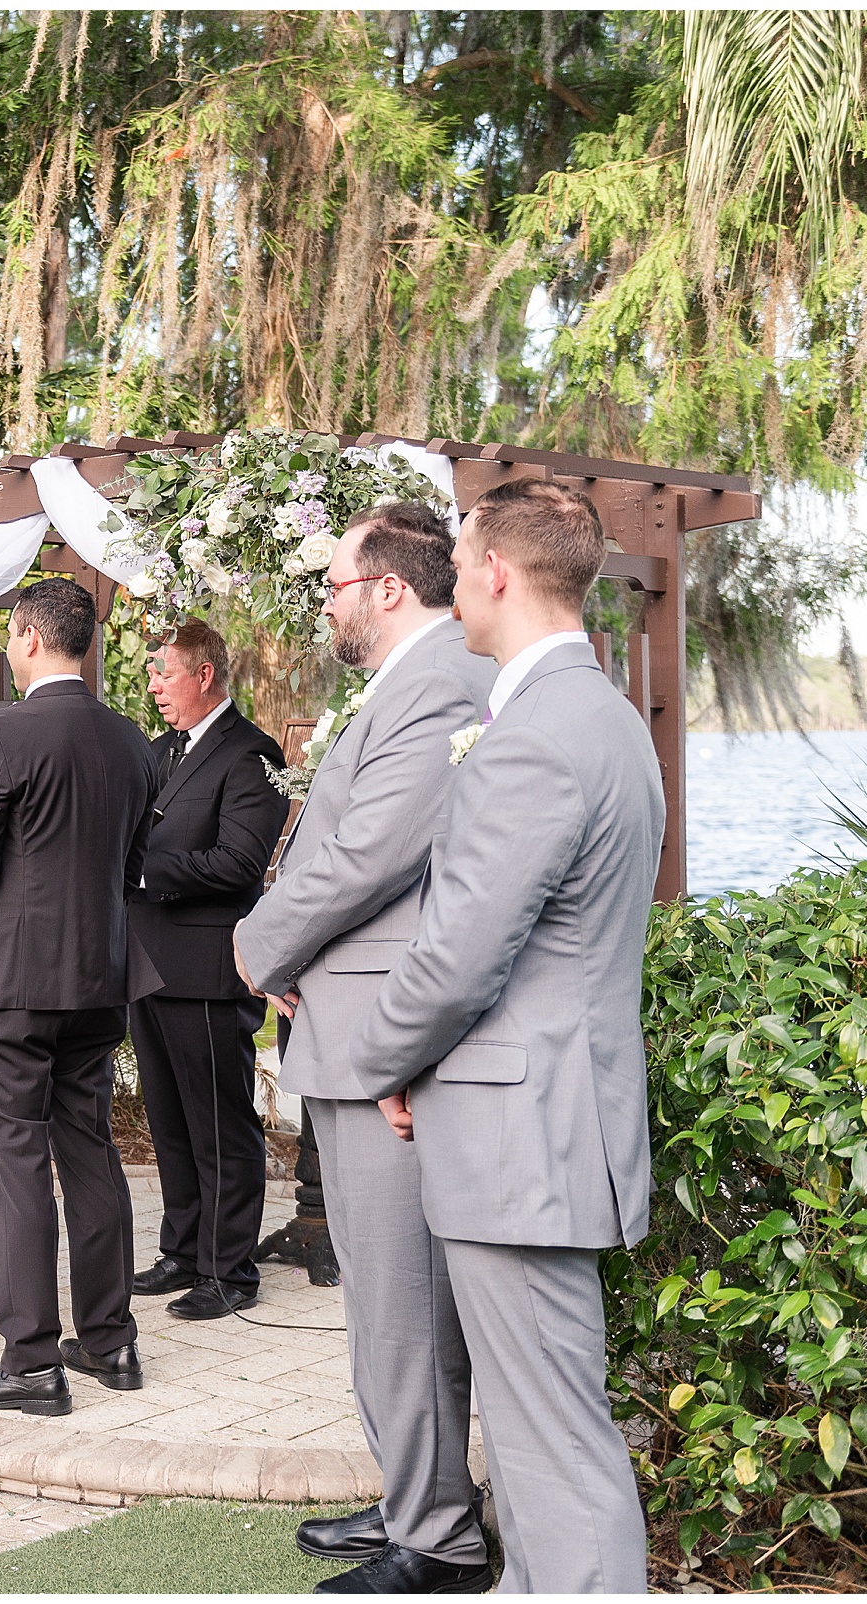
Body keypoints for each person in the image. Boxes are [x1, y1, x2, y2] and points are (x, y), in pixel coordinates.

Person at [349, 478, 663, 1593]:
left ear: (493, 571)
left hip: (520, 1137)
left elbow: (458, 952)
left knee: (552, 1446)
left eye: (463, 554)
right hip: (550, 1120)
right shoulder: (606, 715)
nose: (455, 580)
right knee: (540, 1448)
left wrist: (383, 1059)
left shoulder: (534, 735)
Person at [233, 502, 498, 1594]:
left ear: (390, 587)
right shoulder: (404, 684)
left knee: (403, 1291)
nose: (325, 601)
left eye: (334, 583)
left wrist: (258, 943)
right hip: (343, 1022)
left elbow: (370, 855)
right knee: (381, 1292)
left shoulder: (445, 682)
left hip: (396, 1039)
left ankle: (440, 1539)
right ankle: (413, 1489)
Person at [0, 578, 157, 1414]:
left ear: (26, 637)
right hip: (100, 978)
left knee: (17, 1160)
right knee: (90, 1150)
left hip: (13, 984)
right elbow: (131, 860)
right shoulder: (134, 741)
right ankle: (110, 1342)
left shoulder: (0, 738)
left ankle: (29, 1360)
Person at [124, 620, 287, 1321]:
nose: (154, 685)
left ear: (205, 676)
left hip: (211, 969)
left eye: (165, 673)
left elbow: (239, 864)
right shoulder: (159, 752)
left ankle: (231, 1271)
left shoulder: (252, 755)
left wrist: (138, 868)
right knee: (169, 1122)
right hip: (148, 965)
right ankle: (183, 1251)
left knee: (221, 1126)